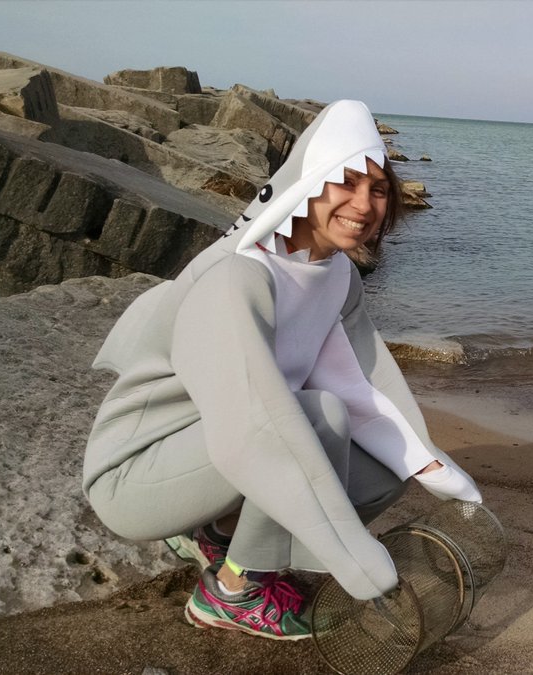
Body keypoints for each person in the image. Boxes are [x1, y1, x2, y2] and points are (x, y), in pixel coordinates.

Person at [82, 100, 481, 640]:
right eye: (347, 182)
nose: (364, 205)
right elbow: (255, 424)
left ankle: (224, 535)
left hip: (212, 456)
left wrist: (426, 463)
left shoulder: (337, 274)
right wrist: (349, 550)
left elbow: (354, 381)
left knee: (385, 464)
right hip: (138, 469)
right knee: (317, 417)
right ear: (311, 182)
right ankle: (232, 591)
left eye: (379, 189)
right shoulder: (240, 277)